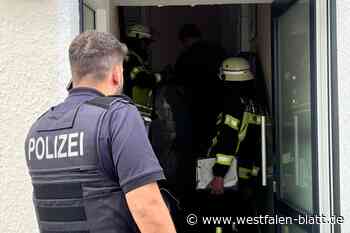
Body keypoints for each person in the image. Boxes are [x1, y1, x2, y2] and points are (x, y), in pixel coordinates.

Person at [24, 31, 177, 233]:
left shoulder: (39, 128)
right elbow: (147, 207)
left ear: (74, 73)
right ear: (116, 74)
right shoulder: (117, 115)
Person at [124, 24, 160, 114]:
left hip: (141, 113)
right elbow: (142, 80)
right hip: (134, 113)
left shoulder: (137, 59)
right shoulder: (130, 58)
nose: (147, 47)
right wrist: (160, 77)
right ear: (138, 41)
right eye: (146, 43)